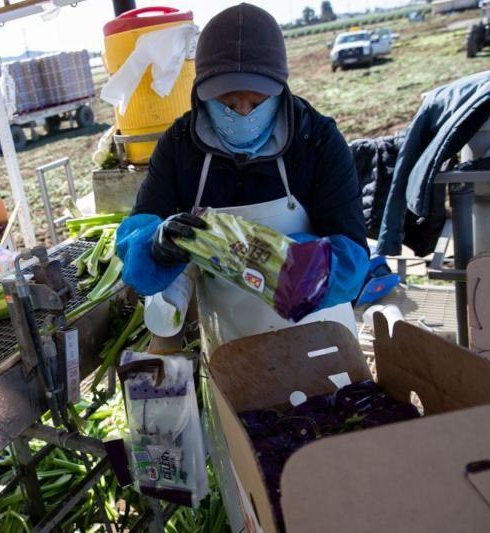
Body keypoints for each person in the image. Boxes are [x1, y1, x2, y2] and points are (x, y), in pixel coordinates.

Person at [116, 3, 369, 351]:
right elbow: (137, 237)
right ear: (202, 91)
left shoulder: (317, 141)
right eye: (227, 99)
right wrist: (155, 246)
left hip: (319, 335)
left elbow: (354, 257)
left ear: (280, 87)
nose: (242, 112)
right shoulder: (179, 147)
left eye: (256, 98)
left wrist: (280, 262)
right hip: (231, 345)